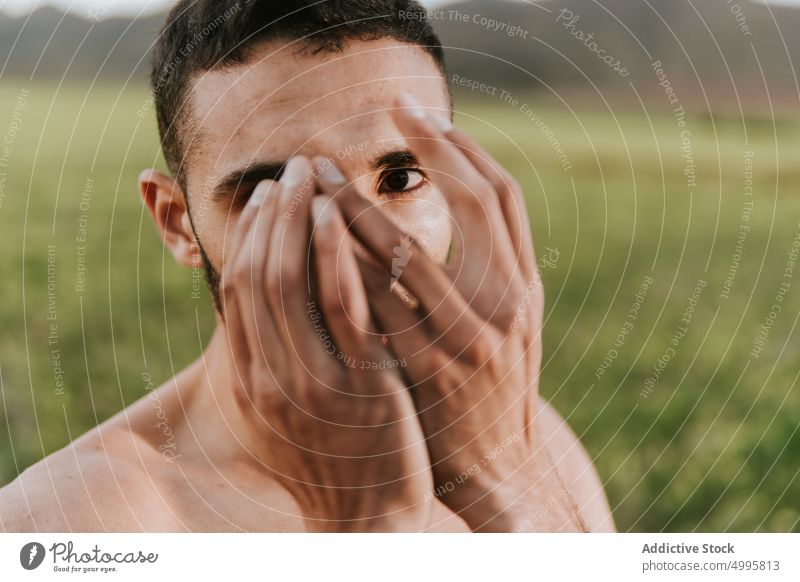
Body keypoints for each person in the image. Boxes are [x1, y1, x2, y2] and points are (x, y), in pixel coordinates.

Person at [0, 0, 614, 532]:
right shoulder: (80, 522)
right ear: (176, 222)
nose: (353, 242)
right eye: (274, 192)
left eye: (399, 178)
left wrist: (507, 483)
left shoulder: (521, 437)